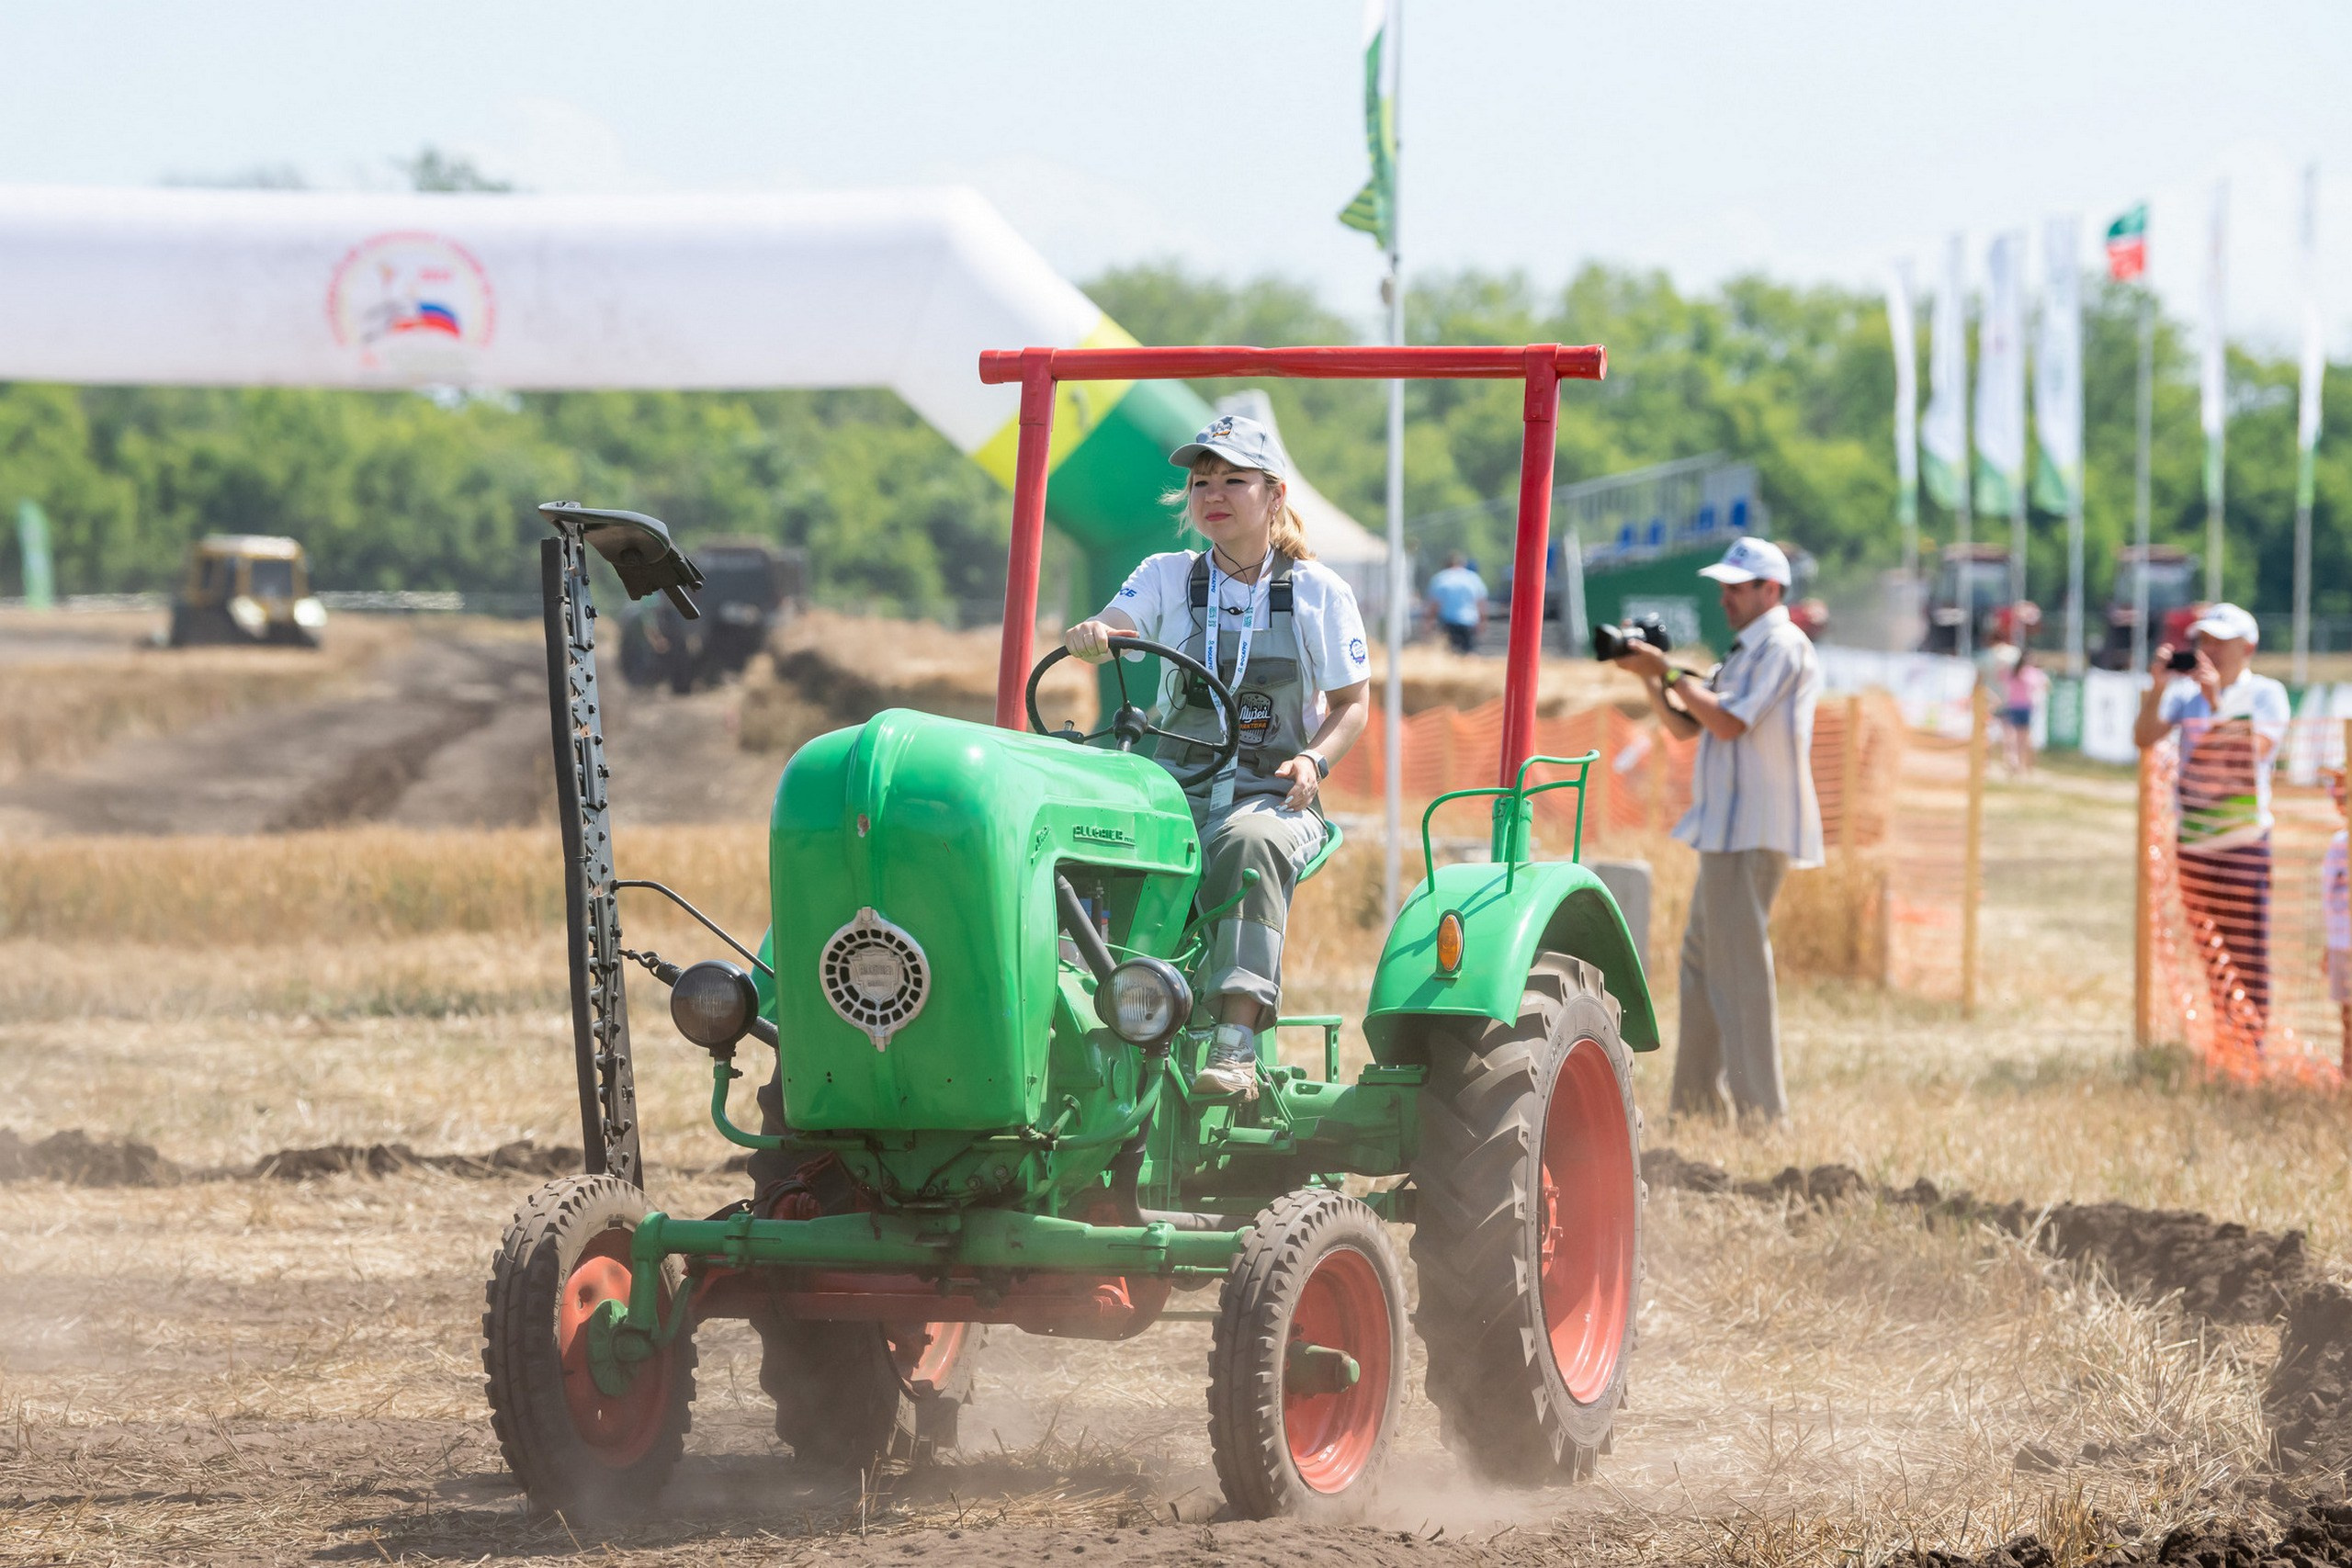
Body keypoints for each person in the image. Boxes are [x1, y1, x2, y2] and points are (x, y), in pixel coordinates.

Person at [1063, 413, 1373, 1100]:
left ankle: (1234, 1040)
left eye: (1235, 479)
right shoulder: (1168, 576)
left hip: (1274, 793)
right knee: (1076, 829)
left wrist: (1314, 762)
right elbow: (1119, 624)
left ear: (1275, 494)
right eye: (1202, 481)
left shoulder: (1317, 591)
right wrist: (1096, 633)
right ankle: (1078, 1014)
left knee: (1247, 838)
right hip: (1173, 784)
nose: (1213, 493)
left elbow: (1354, 704)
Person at [1611, 536, 1822, 1123]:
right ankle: (1698, 1106)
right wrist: (1653, 677)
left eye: (1737, 586)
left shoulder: (1781, 646)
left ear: (1771, 590)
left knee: (1738, 972)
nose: (1725, 596)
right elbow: (1688, 728)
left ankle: (1761, 1115)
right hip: (1731, 830)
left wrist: (1668, 670)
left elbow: (1728, 722)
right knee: (1705, 964)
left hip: (1751, 831)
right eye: (1724, 585)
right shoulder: (1749, 650)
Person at [2132, 603, 2291, 1057]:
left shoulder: (2266, 694)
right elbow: (2144, 737)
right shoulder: (2185, 696)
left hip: (2243, 842)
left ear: (2249, 647)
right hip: (2195, 845)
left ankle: (2252, 1048)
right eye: (2205, 640)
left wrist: (2218, 702)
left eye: (2221, 641)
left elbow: (2254, 752)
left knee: (2248, 953)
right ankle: (2227, 1040)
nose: (2210, 650)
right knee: (2212, 953)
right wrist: (2156, 689)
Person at [2322, 767, 2347, 1077]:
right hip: (2343, 943)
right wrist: (2329, 946)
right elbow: (2328, 900)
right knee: (2348, 1014)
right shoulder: (2339, 845)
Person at [1996, 643, 2048, 776]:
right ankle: (2020, 764)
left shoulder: (2018, 672)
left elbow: (2000, 676)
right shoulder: (2028, 672)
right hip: (2021, 708)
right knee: (2020, 739)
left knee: (2018, 738)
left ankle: (2019, 764)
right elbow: (2045, 685)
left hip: (2018, 707)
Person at [1424, 551, 1488, 654]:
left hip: (1448, 623)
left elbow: (1434, 605)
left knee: (1450, 654)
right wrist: (1482, 622)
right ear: (1463, 564)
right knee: (1467, 655)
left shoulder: (1440, 578)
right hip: (1469, 623)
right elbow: (1481, 603)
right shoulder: (1473, 578)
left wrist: (1429, 623)